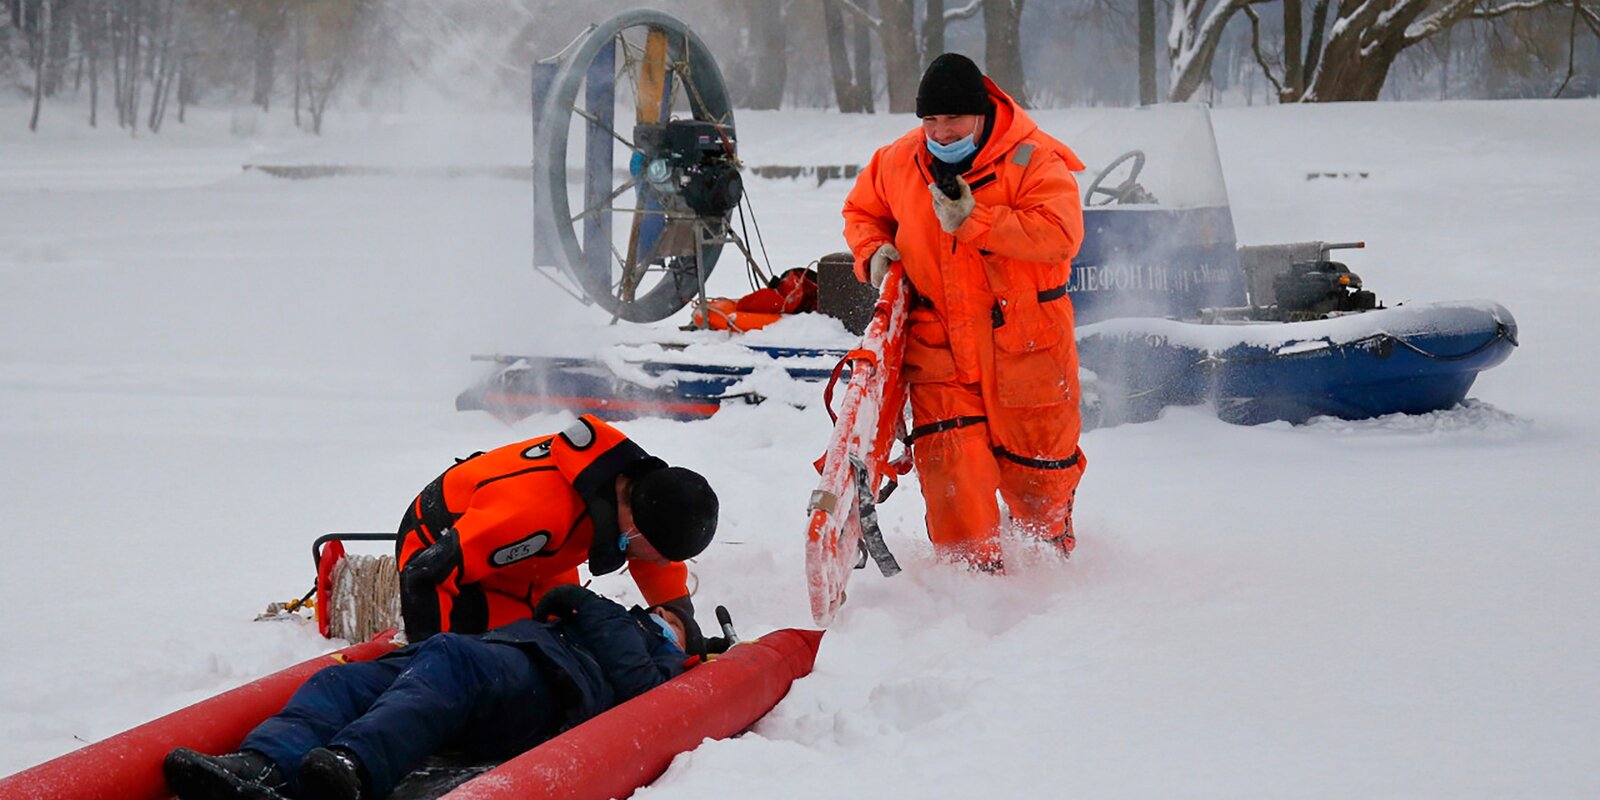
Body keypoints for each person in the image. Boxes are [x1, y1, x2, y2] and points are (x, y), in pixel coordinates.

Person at [841, 53, 1088, 572]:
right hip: (940, 351)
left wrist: (975, 220)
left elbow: (1061, 235)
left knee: (1040, 481)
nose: (942, 131)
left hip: (1028, 349)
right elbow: (862, 212)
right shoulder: (896, 161)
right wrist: (873, 252)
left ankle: (1051, 579)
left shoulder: (1035, 159)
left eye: (952, 118)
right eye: (930, 120)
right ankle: (969, 593)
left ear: (981, 113)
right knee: (954, 477)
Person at [164, 585, 704, 800]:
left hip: (543, 686)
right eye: (657, 613)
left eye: (668, 621)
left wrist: (582, 602)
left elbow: (641, 688)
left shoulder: (658, 660)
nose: (656, 617)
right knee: (341, 680)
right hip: (505, 661)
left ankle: (351, 766)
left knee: (453, 659)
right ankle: (265, 766)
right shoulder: (608, 623)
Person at [394, 414, 717, 641]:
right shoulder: (539, 515)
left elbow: (657, 566)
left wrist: (682, 623)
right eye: (662, 554)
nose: (663, 562)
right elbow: (426, 573)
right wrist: (428, 656)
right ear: (636, 526)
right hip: (436, 544)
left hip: (535, 560)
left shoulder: (634, 491)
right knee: (504, 656)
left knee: (562, 637)